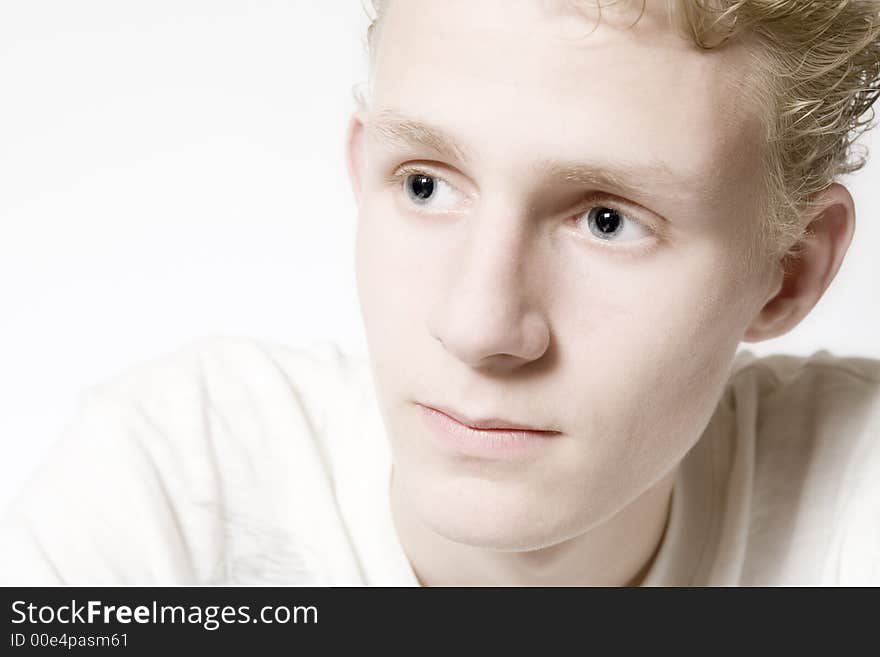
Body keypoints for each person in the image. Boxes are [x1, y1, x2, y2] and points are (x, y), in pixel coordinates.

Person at [2, 0, 879, 586]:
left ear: (789, 269)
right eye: (425, 184)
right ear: (361, 173)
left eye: (608, 219)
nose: (479, 325)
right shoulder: (168, 499)